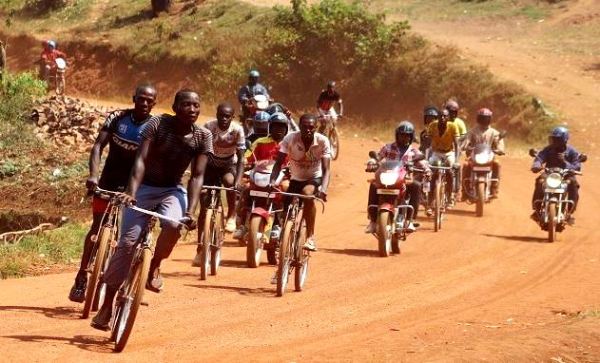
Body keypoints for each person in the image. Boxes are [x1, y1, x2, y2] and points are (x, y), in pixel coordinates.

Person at [91, 89, 212, 331]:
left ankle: (155, 263)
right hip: (144, 187)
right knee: (126, 243)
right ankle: (107, 306)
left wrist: (191, 210)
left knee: (174, 225)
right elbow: (141, 160)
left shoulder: (203, 136)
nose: (192, 110)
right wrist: (131, 192)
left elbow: (197, 176)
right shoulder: (158, 124)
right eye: (186, 105)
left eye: (196, 105)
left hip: (172, 190)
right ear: (175, 107)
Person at [68, 85, 157, 303]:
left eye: (149, 101)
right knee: (96, 228)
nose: (144, 104)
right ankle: (81, 276)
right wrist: (93, 176)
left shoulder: (154, 126)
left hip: (134, 186)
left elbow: (152, 162)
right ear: (133, 98)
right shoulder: (118, 118)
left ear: (154, 103)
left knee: (132, 237)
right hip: (108, 180)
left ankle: (127, 283)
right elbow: (98, 146)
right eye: (141, 99)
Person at [191, 102, 245, 267]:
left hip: (228, 165)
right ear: (217, 114)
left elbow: (241, 158)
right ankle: (200, 249)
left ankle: (231, 216)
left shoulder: (237, 130)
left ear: (232, 117)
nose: (223, 119)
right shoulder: (208, 127)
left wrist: (238, 181)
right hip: (209, 166)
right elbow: (198, 152)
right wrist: (195, 175)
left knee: (230, 183)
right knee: (204, 208)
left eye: (227, 116)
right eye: (221, 115)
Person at [270, 114, 331, 252]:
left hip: (314, 178)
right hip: (295, 178)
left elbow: (327, 169)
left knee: (307, 194)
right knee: (284, 206)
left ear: (316, 127)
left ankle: (310, 237)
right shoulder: (290, 138)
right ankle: (283, 235)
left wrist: (324, 189)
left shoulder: (323, 141)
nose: (308, 130)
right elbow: (278, 163)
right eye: (304, 127)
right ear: (299, 126)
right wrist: (272, 181)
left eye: (311, 127)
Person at [233, 112, 290, 240]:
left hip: (281, 178)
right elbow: (248, 156)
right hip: (261, 176)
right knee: (246, 188)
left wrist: (291, 169)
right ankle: (242, 223)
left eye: (282, 127)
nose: (278, 130)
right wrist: (246, 163)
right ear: (270, 127)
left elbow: (294, 161)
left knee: (286, 190)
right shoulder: (260, 142)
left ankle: (279, 225)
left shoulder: (289, 143)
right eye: (275, 127)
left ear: (286, 129)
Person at [365, 121, 428, 234]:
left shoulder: (413, 151)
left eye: (407, 135)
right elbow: (378, 157)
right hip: (387, 177)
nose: (404, 138)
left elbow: (422, 162)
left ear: (411, 136)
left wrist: (427, 170)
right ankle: (373, 221)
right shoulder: (388, 147)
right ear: (397, 135)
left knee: (416, 186)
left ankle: (410, 220)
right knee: (373, 185)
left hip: (404, 180)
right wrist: (371, 162)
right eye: (402, 135)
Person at [530, 126, 582, 224]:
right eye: (553, 139)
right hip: (549, 173)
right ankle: (537, 209)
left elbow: (577, 166)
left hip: (566, 175)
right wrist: (536, 166)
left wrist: (565, 162)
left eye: (556, 139)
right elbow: (540, 158)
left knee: (573, 183)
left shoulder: (572, 151)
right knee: (540, 181)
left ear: (564, 140)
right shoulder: (548, 149)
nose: (554, 141)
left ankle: (570, 212)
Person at [462, 108, 505, 198]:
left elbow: (499, 143)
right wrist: (465, 146)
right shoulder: (472, 131)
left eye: (486, 118)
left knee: (497, 163)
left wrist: (500, 149)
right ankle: (464, 191)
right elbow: (466, 141)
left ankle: (494, 187)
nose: (484, 120)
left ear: (490, 119)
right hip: (474, 156)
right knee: (466, 165)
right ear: (479, 118)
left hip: (489, 157)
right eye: (483, 118)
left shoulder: (494, 132)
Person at [426, 108, 460, 212]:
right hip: (436, 152)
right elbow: (428, 143)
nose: (442, 118)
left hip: (449, 153)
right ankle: (430, 201)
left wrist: (456, 161)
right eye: (441, 116)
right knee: (432, 173)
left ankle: (449, 198)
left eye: (445, 116)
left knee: (450, 172)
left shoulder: (453, 127)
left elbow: (457, 145)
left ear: (448, 117)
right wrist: (426, 158)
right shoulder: (432, 126)